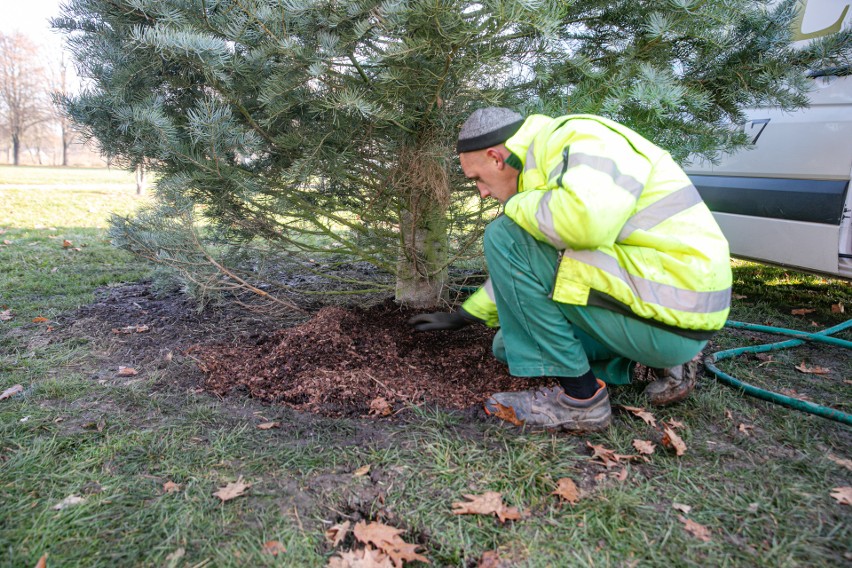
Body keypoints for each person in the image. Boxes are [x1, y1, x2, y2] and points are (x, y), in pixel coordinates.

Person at [409, 107, 732, 432]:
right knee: (510, 346)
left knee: (503, 234)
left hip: (675, 312)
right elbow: (539, 266)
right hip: (667, 313)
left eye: (477, 179)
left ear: (496, 158)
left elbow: (583, 226)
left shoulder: (577, 137)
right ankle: (660, 363)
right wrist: (467, 316)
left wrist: (513, 205)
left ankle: (581, 401)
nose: (481, 192)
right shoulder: (546, 166)